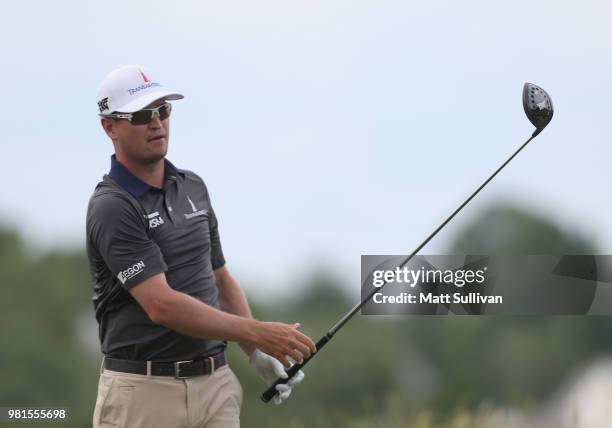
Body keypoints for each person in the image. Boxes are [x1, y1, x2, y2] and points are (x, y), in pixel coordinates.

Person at [86, 65, 316, 428]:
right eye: (143, 115)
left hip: (215, 387)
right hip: (143, 393)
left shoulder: (193, 187)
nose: (157, 122)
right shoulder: (112, 206)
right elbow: (161, 305)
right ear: (109, 126)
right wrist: (256, 333)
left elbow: (219, 278)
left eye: (163, 110)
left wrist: (254, 353)